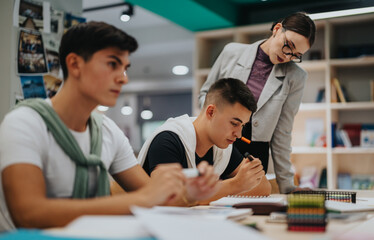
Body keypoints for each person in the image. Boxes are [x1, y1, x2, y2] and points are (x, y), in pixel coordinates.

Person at [0, 21, 219, 231]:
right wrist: (142, 199)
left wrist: (189, 192)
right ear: (75, 64)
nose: (124, 79)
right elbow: (28, 214)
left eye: (125, 67)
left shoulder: (107, 131)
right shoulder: (24, 122)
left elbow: (155, 198)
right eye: (113, 64)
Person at [198, 12, 316, 194]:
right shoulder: (232, 52)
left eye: (296, 55)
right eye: (288, 46)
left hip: (254, 151)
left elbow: (282, 132)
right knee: (209, 199)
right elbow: (206, 95)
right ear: (277, 29)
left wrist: (287, 186)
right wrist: (213, 124)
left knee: (249, 207)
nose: (287, 56)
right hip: (218, 143)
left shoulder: (296, 77)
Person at [139, 78, 271, 204]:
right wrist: (235, 185)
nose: (238, 134)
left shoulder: (222, 149)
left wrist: (247, 177)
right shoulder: (168, 140)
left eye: (242, 126)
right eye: (234, 123)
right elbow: (169, 199)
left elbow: (263, 187)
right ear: (211, 112)